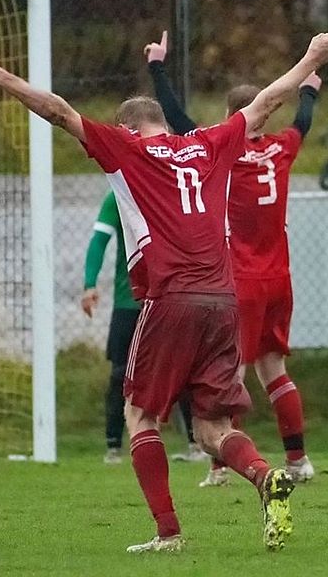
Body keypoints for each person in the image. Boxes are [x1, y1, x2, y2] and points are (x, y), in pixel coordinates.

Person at [0, 32, 328, 552]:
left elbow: (58, 111)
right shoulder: (208, 143)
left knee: (139, 414)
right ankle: (264, 476)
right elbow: (265, 103)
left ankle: (168, 533)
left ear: (127, 128)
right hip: (223, 300)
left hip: (170, 297)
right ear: (164, 122)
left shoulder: (127, 148)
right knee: (211, 427)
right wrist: (312, 58)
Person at [144, 31, 318, 486]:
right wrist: (309, 90)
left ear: (231, 115)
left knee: (229, 372)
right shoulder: (282, 148)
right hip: (280, 277)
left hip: (240, 280)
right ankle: (298, 461)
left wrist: (157, 66)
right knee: (275, 369)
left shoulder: (224, 150)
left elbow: (177, 119)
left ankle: (221, 465)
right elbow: (303, 122)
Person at [82, 190, 207, 465]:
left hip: (169, 300)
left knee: (183, 371)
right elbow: (99, 240)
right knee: (120, 373)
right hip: (129, 301)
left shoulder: (172, 190)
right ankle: (114, 447)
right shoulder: (119, 196)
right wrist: (89, 283)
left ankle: (195, 444)